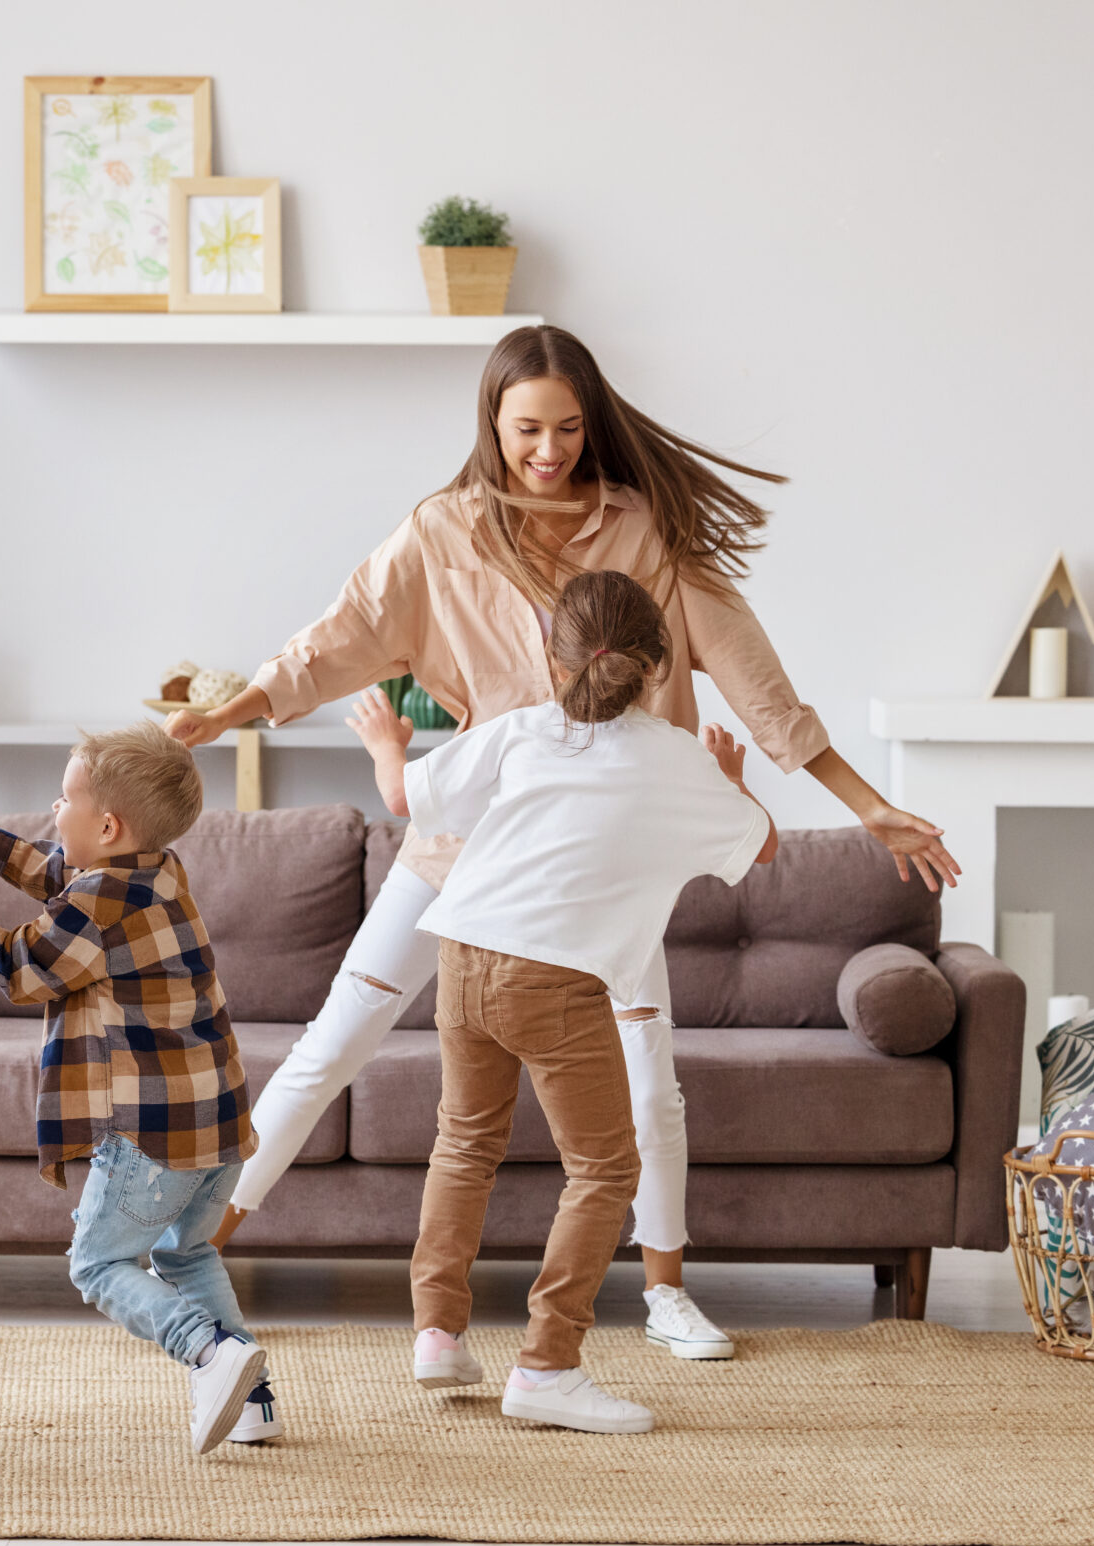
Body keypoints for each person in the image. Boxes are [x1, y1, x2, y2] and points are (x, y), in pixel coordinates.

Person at [169, 325, 959, 1355]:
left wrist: (867, 802)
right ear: (492, 425)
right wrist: (234, 711)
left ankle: (666, 1293)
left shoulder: (647, 530)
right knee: (334, 1042)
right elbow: (340, 635)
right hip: (466, 853)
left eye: (570, 428)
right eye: (528, 429)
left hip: (598, 870)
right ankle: (194, 1259)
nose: (550, 451)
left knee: (649, 1082)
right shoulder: (442, 532)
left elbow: (756, 678)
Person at [396, 570, 777, 1434]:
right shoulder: (675, 756)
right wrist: (731, 777)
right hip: (554, 979)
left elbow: (410, 797)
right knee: (604, 1170)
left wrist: (388, 744)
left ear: (553, 656)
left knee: (465, 1143)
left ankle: (437, 1333)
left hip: (461, 955)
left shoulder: (523, 731)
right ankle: (547, 1366)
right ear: (657, 666)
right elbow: (761, 849)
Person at [0, 725, 274, 1455]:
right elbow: (60, 875)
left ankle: (207, 1350)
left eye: (64, 798)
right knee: (188, 1254)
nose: (54, 807)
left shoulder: (97, 904)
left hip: (150, 1134)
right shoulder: (157, 871)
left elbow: (19, 970)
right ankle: (251, 1403)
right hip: (220, 1126)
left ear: (107, 827)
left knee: (98, 1265)